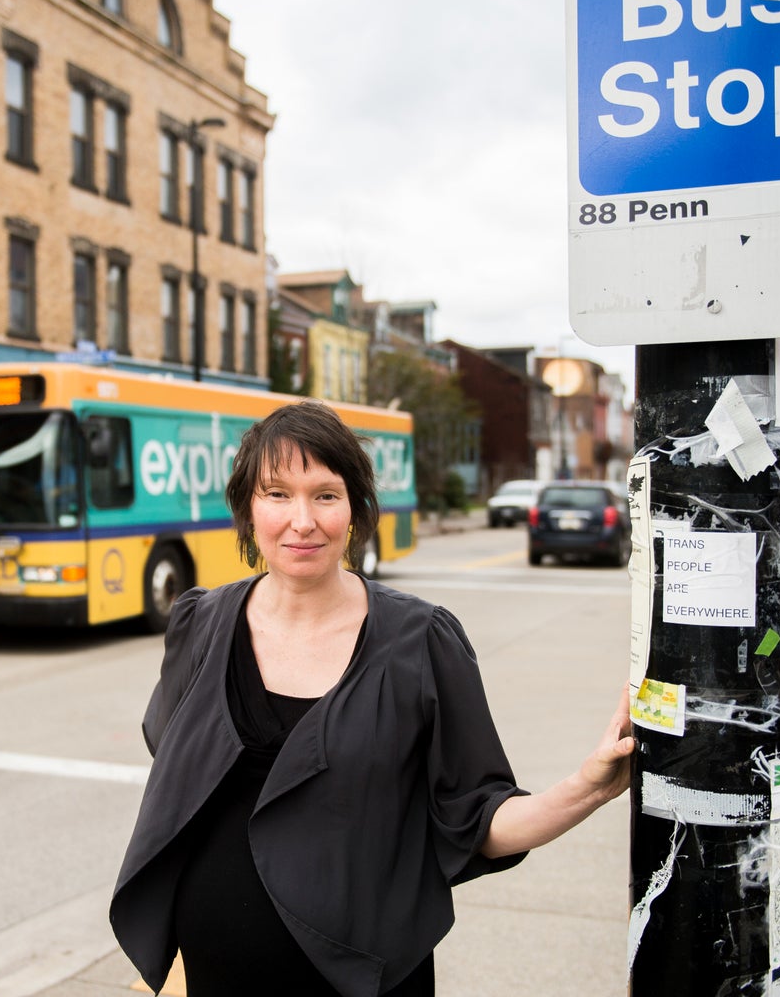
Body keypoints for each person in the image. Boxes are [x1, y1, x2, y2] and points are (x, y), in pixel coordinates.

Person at [110, 400, 633, 997]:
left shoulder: (422, 641)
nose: (301, 520)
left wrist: (587, 788)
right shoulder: (200, 623)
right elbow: (183, 788)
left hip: (365, 980)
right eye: (276, 494)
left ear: (355, 510)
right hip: (216, 970)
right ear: (247, 510)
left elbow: (478, 820)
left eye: (325, 495)